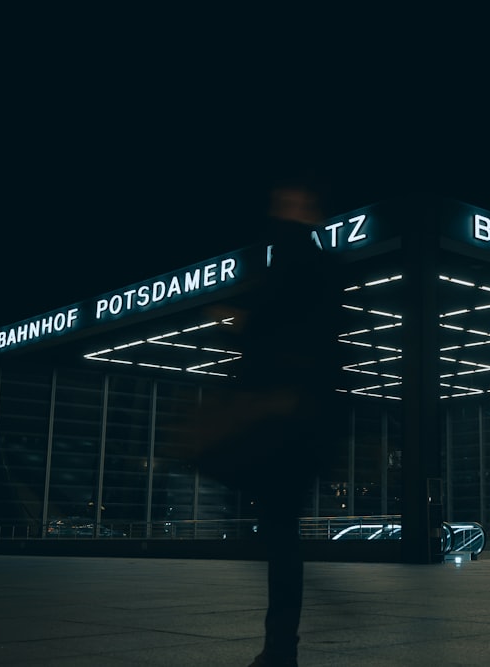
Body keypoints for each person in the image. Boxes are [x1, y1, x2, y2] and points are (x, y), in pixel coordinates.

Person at [199, 180, 344, 667]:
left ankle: (281, 645)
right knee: (281, 531)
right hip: (295, 416)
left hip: (285, 416)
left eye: (292, 199)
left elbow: (279, 324)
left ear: (308, 207)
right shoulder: (307, 260)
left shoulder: (295, 259)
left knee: (279, 531)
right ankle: (281, 643)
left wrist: (234, 320)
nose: (282, 206)